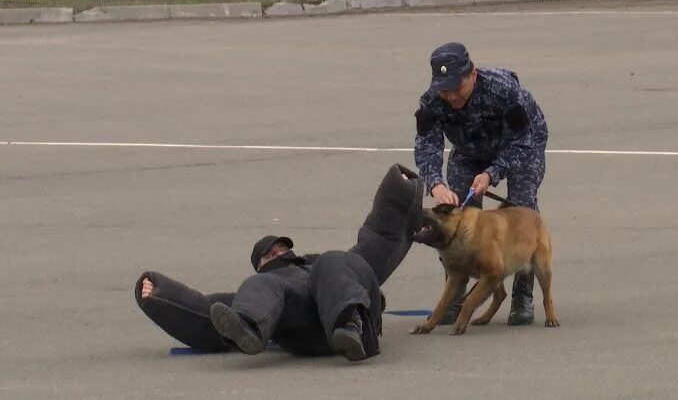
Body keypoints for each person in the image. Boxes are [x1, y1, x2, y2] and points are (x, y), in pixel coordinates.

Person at [134, 163, 424, 362]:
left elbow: (378, 240)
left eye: (281, 248)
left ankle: (351, 324)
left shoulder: (327, 266)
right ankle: (250, 329)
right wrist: (161, 295)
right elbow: (203, 313)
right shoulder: (265, 286)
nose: (277, 253)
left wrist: (399, 191)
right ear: (261, 264)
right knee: (252, 292)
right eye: (269, 255)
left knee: (335, 260)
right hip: (306, 332)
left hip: (353, 314)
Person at [413, 42, 549, 326]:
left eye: (456, 87)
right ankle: (456, 293)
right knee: (453, 217)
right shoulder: (431, 100)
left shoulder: (503, 90)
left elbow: (524, 139)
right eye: (444, 88)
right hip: (470, 151)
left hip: (520, 146)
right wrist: (435, 183)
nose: (450, 96)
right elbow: (427, 144)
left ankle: (522, 296)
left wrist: (493, 173)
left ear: (472, 75)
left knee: (521, 209)